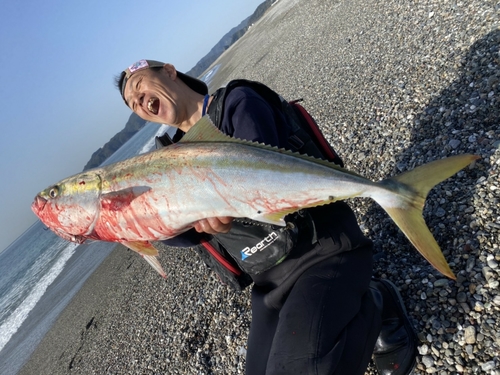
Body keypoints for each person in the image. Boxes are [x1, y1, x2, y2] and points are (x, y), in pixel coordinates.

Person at [116, 59, 418, 375]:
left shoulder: (237, 102)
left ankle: (376, 301)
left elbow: (263, 174)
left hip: (324, 247)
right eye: (132, 104)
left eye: (139, 87)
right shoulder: (168, 159)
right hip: (268, 278)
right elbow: (191, 234)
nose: (139, 101)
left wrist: (209, 205)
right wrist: (143, 223)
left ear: (169, 71)